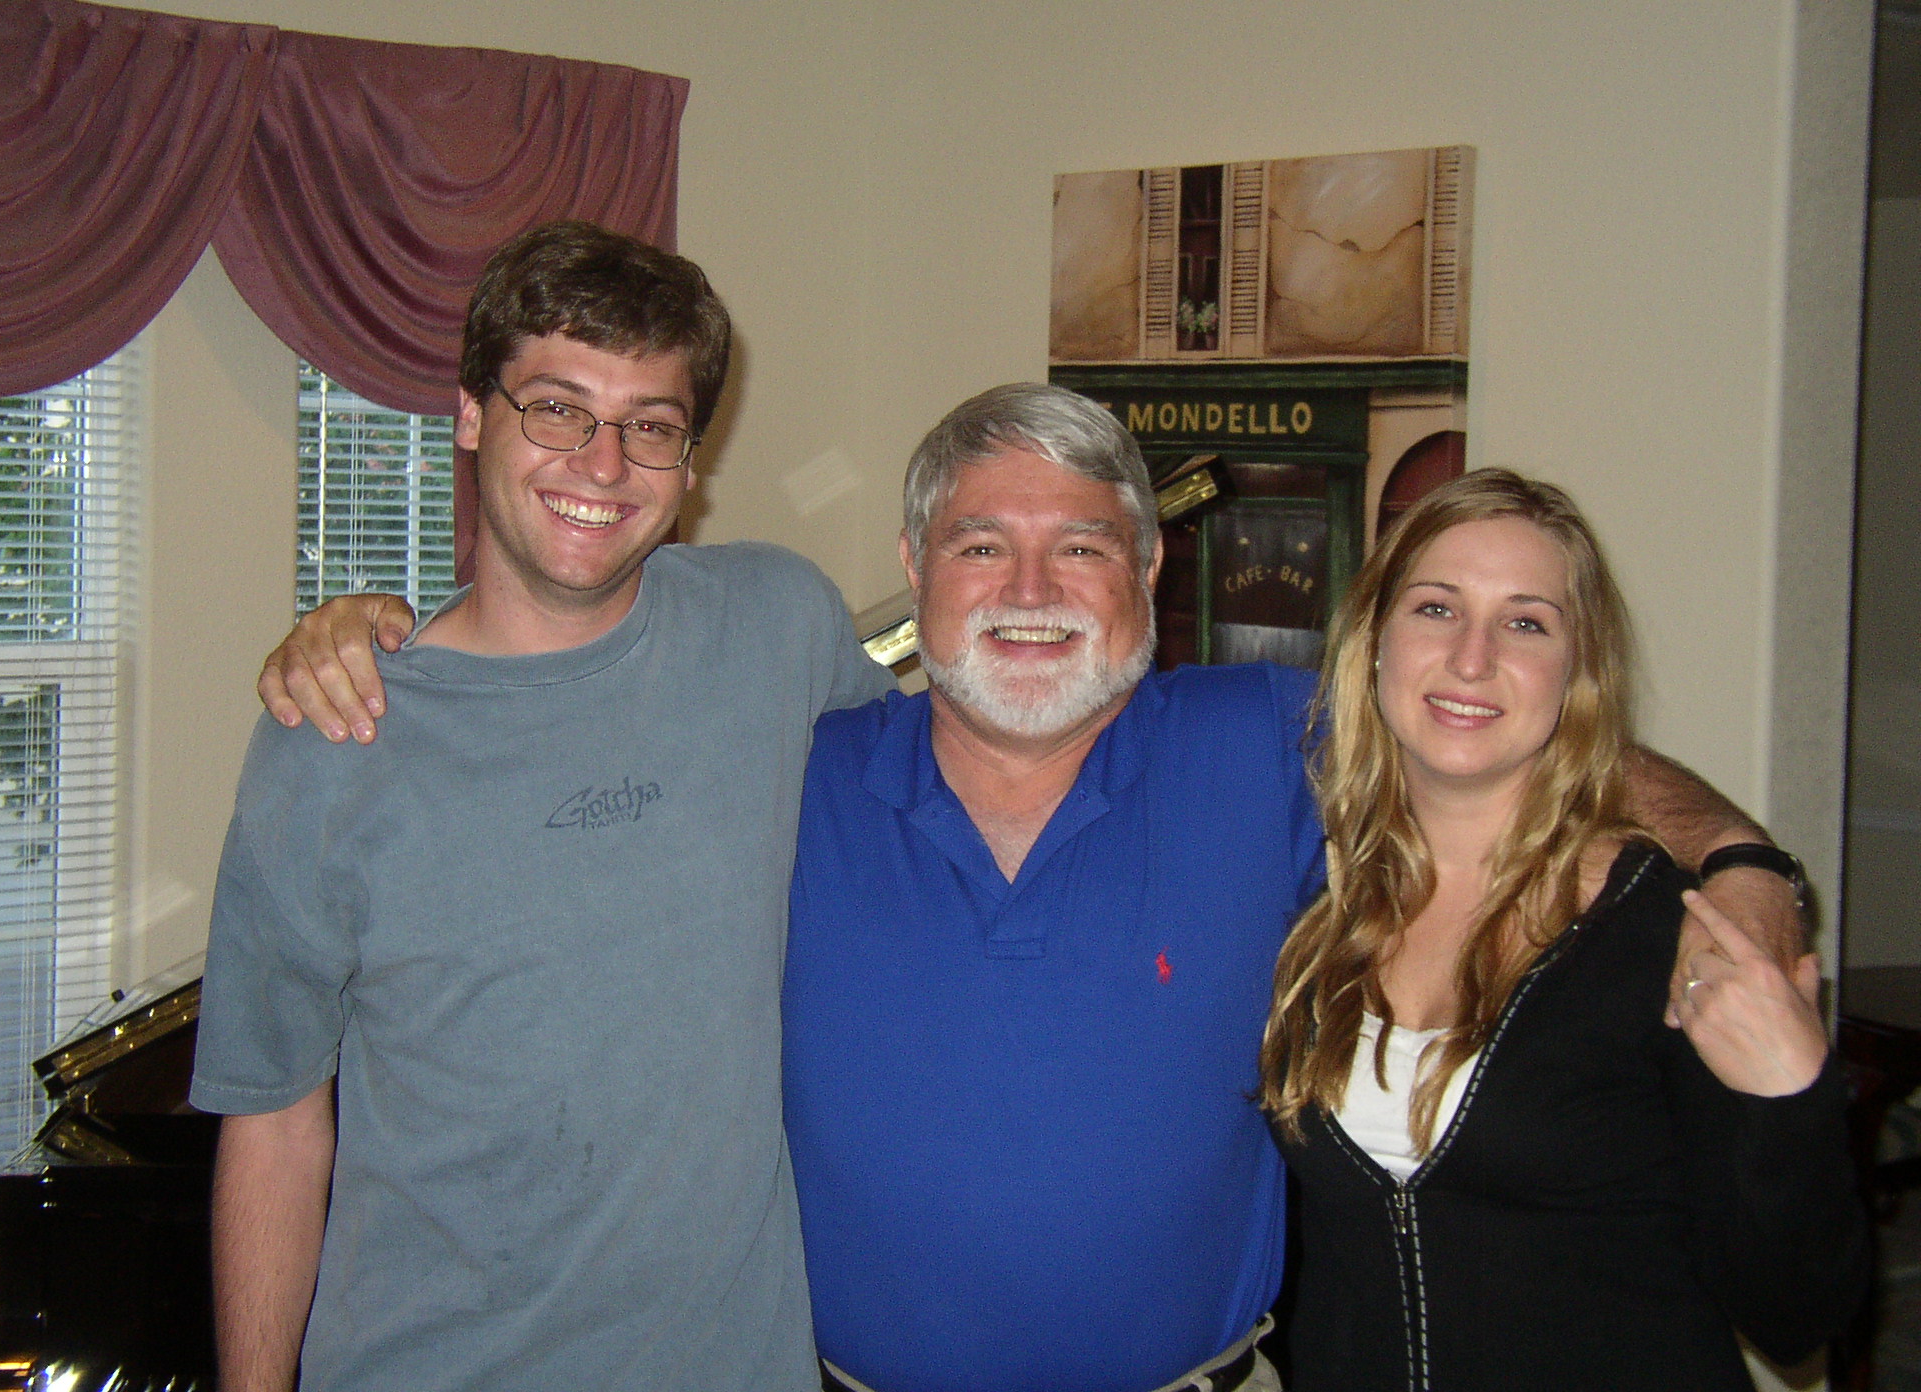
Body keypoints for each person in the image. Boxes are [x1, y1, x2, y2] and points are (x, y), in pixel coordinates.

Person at [262, 388, 1806, 1392]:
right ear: (915, 566)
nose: (1028, 591)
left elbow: (1519, 735)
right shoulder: (788, 778)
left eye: (1083, 550)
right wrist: (397, 642)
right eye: (981, 545)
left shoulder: (1265, 744)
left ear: (1150, 574)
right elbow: (560, 719)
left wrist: (1741, 868)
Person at [189, 222, 893, 1392]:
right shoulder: (333, 739)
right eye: (557, 409)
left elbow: (962, 781)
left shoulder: (776, 630)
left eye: (650, 426)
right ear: (472, 415)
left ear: (691, 460)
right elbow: (272, 1123)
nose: (602, 465)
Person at [1260, 467, 1869, 1392]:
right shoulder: (1318, 905)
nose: (1472, 658)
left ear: (1576, 673)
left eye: (1526, 623)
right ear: (1374, 640)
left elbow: (1796, 1316)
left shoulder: (1660, 930)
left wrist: (1788, 1097)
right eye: (1436, 608)